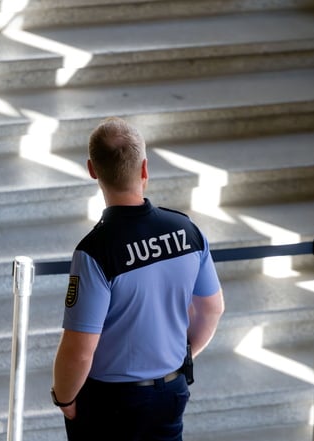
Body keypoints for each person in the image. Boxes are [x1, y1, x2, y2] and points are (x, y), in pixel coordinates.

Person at [51, 116, 225, 441]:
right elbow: (211, 309)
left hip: (110, 401)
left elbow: (79, 350)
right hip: (170, 392)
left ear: (92, 170)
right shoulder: (187, 231)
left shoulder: (95, 251)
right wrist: (180, 360)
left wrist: (65, 396)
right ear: (145, 168)